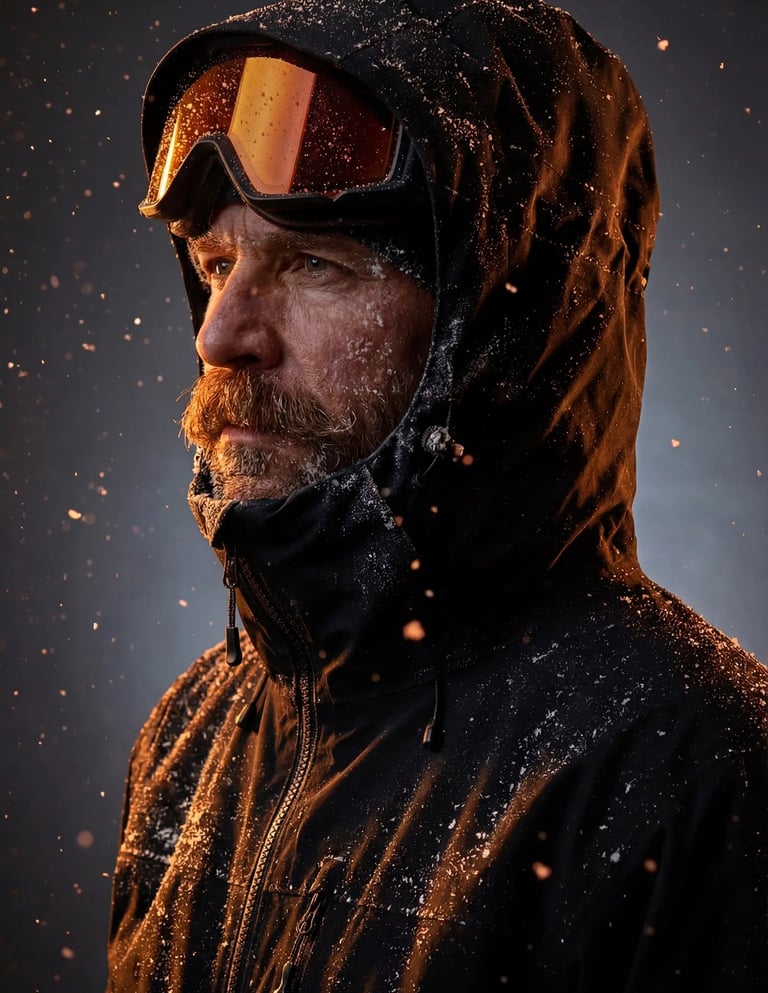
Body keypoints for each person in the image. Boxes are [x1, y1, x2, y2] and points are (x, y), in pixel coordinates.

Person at [107, 1, 768, 990]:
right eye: (217, 263)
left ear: (504, 322)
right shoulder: (193, 734)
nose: (222, 333)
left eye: (314, 263)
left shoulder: (688, 764)